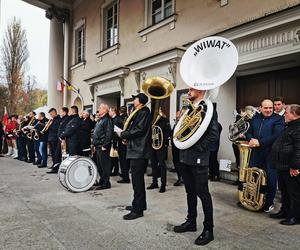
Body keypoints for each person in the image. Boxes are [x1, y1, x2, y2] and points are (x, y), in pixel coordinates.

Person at [173, 88, 218, 246]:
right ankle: (191, 222)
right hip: (185, 157)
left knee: (203, 194)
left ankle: (208, 230)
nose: (189, 91)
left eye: (192, 89)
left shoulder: (208, 109)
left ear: (201, 90)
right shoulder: (188, 110)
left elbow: (214, 134)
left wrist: (196, 147)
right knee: (189, 192)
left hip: (198, 158)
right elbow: (179, 132)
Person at [246, 99, 285, 212]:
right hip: (256, 152)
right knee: (253, 177)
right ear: (260, 108)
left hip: (271, 154)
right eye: (266, 108)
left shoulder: (278, 119)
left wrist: (260, 142)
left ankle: (268, 203)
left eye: (270, 108)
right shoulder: (255, 118)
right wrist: (251, 139)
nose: (268, 110)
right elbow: (248, 132)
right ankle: (252, 199)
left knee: (271, 179)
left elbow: (277, 135)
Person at [118, 93, 151, 220]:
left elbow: (139, 130)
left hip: (139, 150)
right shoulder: (139, 111)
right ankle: (139, 204)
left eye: (135, 98)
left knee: (137, 180)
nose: (133, 100)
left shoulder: (143, 112)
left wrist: (124, 134)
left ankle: (138, 210)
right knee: (137, 180)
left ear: (140, 101)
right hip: (136, 149)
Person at [270, 104, 300, 225]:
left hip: (290, 167)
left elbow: (299, 150)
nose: (284, 115)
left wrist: (295, 166)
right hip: (282, 166)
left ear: (293, 115)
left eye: (286, 112)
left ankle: (295, 217)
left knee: (294, 193)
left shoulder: (298, 128)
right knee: (285, 191)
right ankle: (285, 211)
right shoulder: (290, 126)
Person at [147, 107, 171, 193]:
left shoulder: (165, 121)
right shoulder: (151, 121)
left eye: (158, 111)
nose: (157, 112)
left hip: (161, 146)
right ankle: (154, 182)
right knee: (153, 164)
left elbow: (169, 133)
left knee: (162, 165)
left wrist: (162, 139)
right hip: (152, 145)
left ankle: (163, 185)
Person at [92, 104, 113, 190]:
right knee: (99, 165)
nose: (98, 109)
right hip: (97, 145)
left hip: (102, 146)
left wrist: (105, 145)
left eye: (100, 108)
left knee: (105, 165)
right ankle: (102, 180)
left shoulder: (107, 120)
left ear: (105, 110)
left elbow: (109, 133)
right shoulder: (101, 119)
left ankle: (106, 183)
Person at [47, 107, 70, 174]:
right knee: (53, 153)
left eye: (51, 114)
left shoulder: (59, 119)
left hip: (55, 138)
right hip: (51, 138)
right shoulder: (53, 120)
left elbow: (57, 129)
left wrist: (50, 127)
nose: (51, 115)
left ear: (54, 112)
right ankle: (54, 165)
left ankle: (56, 167)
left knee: (56, 154)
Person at [115, 106, 130, 184]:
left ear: (119, 111)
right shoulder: (129, 118)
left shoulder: (117, 119)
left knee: (122, 160)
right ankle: (125, 174)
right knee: (127, 160)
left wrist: (115, 144)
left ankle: (125, 177)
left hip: (121, 142)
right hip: (129, 141)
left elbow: (116, 132)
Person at [171, 110, 185, 186]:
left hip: (179, 146)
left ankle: (181, 178)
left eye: (178, 113)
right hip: (174, 145)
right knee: (176, 162)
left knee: (179, 163)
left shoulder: (182, 123)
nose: (176, 113)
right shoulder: (177, 122)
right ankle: (180, 177)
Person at [109, 107, 120, 176]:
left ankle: (115, 170)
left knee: (113, 156)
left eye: (110, 111)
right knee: (114, 157)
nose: (109, 113)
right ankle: (115, 170)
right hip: (113, 139)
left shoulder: (116, 119)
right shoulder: (112, 119)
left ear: (113, 111)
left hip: (115, 140)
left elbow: (117, 131)